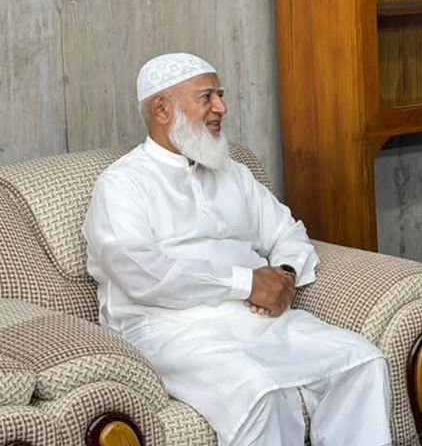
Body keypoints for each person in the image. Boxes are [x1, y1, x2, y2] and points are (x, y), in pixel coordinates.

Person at [84, 53, 391, 446]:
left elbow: (287, 232)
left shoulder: (232, 172)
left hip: (253, 317)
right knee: (261, 392)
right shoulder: (122, 183)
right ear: (162, 109)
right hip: (169, 328)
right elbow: (141, 274)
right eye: (207, 97)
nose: (221, 108)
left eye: (221, 95)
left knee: (361, 361)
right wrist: (247, 283)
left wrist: (284, 276)